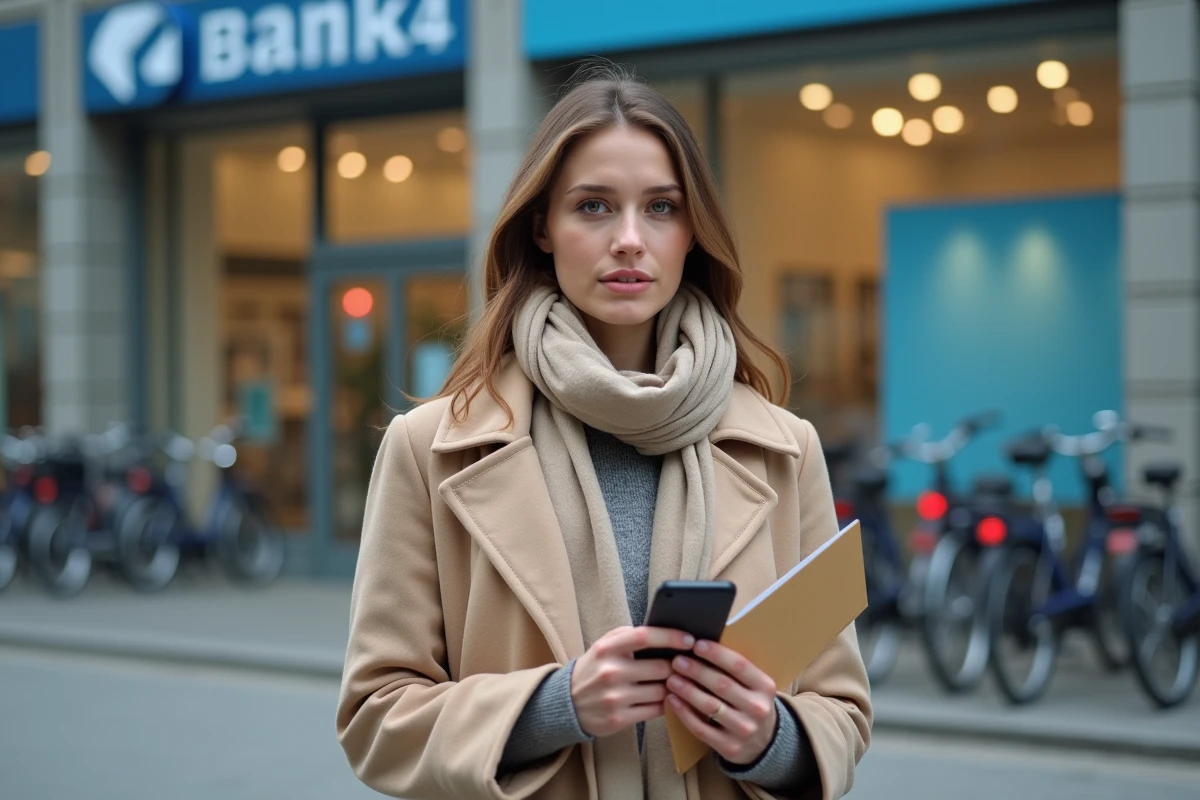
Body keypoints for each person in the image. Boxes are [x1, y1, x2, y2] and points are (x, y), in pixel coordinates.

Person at [336, 66, 872, 800]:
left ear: (692, 233)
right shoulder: (430, 448)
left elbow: (841, 712)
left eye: (660, 207)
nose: (629, 239)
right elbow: (375, 716)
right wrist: (558, 706)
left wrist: (769, 738)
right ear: (542, 226)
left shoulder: (784, 448)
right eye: (592, 206)